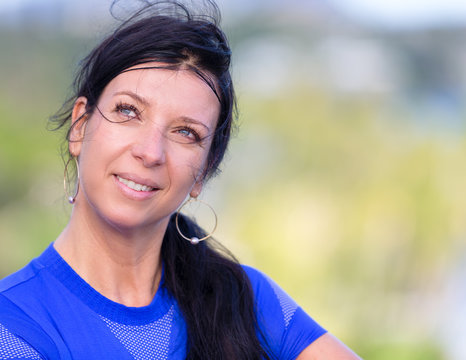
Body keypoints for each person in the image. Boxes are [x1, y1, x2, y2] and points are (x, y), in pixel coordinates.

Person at [0, 1, 361, 359]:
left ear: (203, 170)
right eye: (128, 111)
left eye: (186, 133)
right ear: (80, 127)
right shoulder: (14, 325)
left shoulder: (245, 300)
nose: (150, 151)